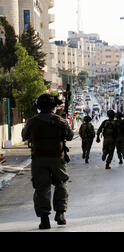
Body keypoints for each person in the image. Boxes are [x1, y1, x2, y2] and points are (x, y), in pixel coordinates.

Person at [22, 94, 74, 230]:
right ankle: (60, 213)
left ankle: (44, 219)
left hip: (38, 158)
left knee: (42, 188)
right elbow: (70, 136)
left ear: (38, 106)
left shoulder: (32, 122)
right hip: (57, 158)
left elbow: (24, 136)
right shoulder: (60, 121)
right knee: (61, 183)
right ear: (53, 107)